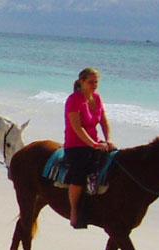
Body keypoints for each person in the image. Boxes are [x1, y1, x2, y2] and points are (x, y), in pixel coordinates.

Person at [64, 67, 116, 229]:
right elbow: (77, 127)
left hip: (95, 143)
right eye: (90, 82)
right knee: (79, 173)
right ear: (82, 82)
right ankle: (74, 211)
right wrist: (93, 144)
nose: (94, 85)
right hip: (76, 145)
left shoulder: (97, 98)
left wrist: (108, 140)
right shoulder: (74, 99)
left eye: (96, 82)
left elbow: (104, 122)